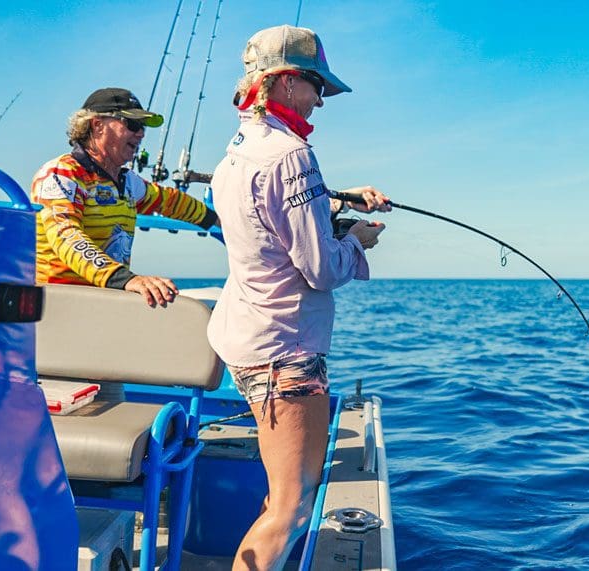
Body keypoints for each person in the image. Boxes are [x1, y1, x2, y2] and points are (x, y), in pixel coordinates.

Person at [206, 24, 390, 571]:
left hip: (246, 338)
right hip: (284, 349)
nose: (320, 100)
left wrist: (335, 203)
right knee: (292, 504)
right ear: (285, 82)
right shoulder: (292, 156)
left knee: (279, 492)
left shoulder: (235, 154)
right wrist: (355, 239)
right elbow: (318, 269)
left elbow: (273, 230)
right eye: (315, 86)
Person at [30, 87, 219, 307]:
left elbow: (171, 201)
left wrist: (219, 220)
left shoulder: (127, 182)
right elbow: (66, 236)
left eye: (142, 127)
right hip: (59, 305)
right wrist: (126, 280)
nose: (141, 134)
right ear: (97, 125)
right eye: (132, 124)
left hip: (107, 302)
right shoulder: (62, 174)